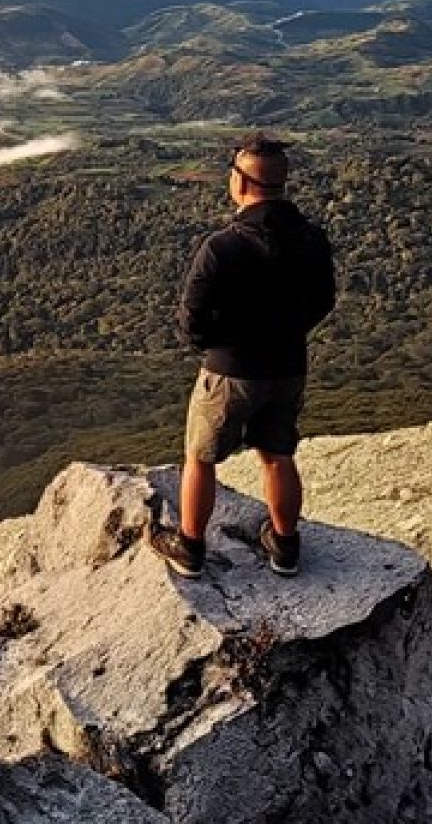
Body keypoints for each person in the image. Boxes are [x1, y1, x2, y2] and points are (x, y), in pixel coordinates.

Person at [149, 134, 336, 579]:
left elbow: (190, 317)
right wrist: (289, 333)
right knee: (277, 453)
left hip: (229, 370)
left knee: (200, 456)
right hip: (288, 366)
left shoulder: (223, 246)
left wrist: (217, 347)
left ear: (243, 181)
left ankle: (190, 546)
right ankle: (285, 545)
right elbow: (324, 299)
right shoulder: (311, 238)